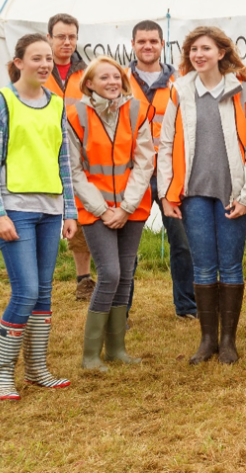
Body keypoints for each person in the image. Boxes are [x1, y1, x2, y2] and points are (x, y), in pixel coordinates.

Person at [156, 26, 246, 365]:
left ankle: (228, 341)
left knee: (230, 265)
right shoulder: (178, 91)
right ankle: (207, 341)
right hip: (193, 192)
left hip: (233, 191)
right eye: (193, 50)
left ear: (221, 53)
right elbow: (166, 143)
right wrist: (165, 192)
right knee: (203, 266)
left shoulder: (245, 92)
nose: (198, 55)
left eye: (205, 48)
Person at [0, 33, 78, 399]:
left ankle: (37, 370)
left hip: (51, 210)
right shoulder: (1, 101)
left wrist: (69, 209)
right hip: (15, 210)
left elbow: (62, 161)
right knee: (26, 291)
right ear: (18, 62)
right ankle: (2, 374)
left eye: (49, 59)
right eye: (36, 58)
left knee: (44, 294)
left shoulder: (56, 103)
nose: (44, 65)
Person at [67, 56, 155, 371]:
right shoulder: (75, 115)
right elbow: (74, 170)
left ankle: (116, 349)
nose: (112, 82)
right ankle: (90, 355)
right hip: (96, 211)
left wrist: (126, 207)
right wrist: (105, 210)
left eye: (116, 77)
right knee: (111, 274)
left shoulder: (136, 111)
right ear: (89, 83)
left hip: (132, 207)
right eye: (104, 78)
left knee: (126, 275)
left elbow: (145, 161)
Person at [123, 20, 196, 320]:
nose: (147, 46)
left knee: (183, 244)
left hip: (170, 175)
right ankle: (120, 311)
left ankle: (187, 308)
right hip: (132, 175)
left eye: (153, 41)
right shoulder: (120, 80)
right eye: (142, 42)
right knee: (126, 250)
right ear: (133, 45)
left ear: (162, 44)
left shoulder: (180, 82)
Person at [43, 13, 95, 301]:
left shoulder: (87, 73)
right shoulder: (35, 69)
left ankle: (83, 279)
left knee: (81, 213)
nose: (67, 42)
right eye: (61, 36)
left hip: (79, 153)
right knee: (45, 213)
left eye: (71, 36)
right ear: (49, 37)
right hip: (43, 152)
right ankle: (40, 281)